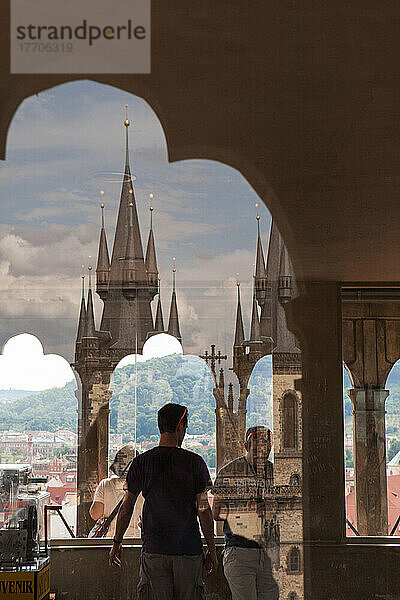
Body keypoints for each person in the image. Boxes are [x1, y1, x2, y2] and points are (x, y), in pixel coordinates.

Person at [109, 403, 218, 600]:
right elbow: (203, 510)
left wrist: (117, 542)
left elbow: (127, 508)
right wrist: (212, 549)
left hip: (154, 550)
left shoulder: (141, 463)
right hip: (188, 551)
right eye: (185, 426)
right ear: (180, 426)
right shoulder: (195, 462)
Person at [212, 426, 279, 600]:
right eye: (256, 450)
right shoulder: (229, 472)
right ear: (246, 447)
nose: (261, 456)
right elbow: (216, 512)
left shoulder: (277, 473)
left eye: (265, 451)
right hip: (240, 550)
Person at [90, 444, 143, 538]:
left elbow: (95, 514)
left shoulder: (105, 485)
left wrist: (95, 497)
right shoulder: (143, 488)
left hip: (110, 540)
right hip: (135, 540)